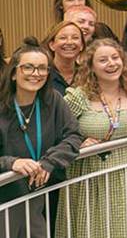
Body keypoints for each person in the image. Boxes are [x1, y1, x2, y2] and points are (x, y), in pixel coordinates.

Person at [56, 38, 127, 238]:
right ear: (91, 67)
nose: (111, 64)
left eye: (115, 58)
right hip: (90, 178)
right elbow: (57, 131)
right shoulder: (78, 96)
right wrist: (79, 141)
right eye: (103, 60)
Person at [0, 38, 82, 238]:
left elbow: (73, 135)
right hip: (5, 197)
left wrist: (49, 162)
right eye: (28, 67)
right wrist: (12, 163)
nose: (36, 74)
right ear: (13, 73)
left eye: (42, 68)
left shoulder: (53, 100)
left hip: (39, 196)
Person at [43, 21, 84, 96]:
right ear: (52, 45)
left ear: (81, 45)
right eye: (63, 38)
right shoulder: (43, 74)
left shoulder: (87, 75)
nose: (69, 42)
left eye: (75, 38)